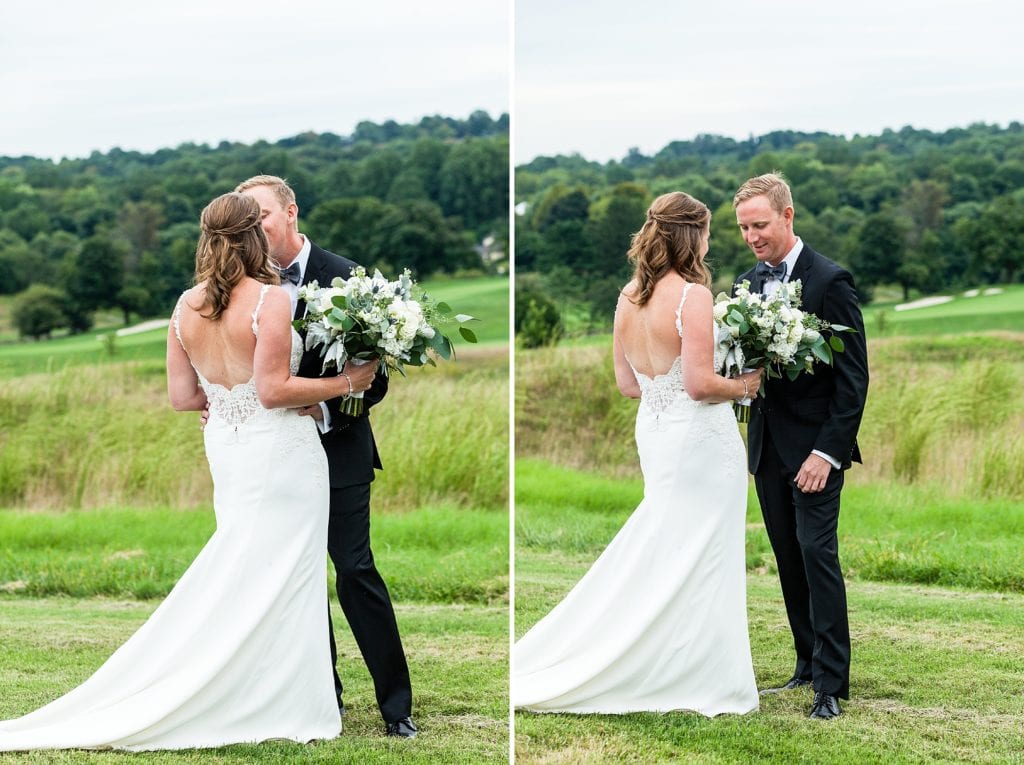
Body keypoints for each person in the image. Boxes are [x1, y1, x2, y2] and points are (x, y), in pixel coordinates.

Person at [0, 192, 379, 752]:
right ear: (253, 237)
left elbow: (182, 397)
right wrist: (347, 383)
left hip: (229, 449)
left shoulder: (184, 305)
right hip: (281, 452)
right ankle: (281, 699)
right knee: (288, 573)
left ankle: (256, 687)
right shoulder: (271, 300)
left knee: (248, 565)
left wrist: (227, 399)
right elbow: (274, 391)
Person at [512, 192, 762, 715]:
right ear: (693, 235)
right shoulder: (692, 296)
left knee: (670, 543)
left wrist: (666, 387)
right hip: (700, 440)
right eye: (709, 232)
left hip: (655, 431)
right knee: (704, 551)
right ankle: (695, 672)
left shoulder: (628, 297)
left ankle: (671, 657)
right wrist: (745, 386)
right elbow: (698, 385)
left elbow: (628, 384)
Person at [233, 175, 417, 739]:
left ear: (290, 213)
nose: (253, 227)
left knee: (354, 570)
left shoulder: (347, 279)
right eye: (244, 219)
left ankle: (396, 706)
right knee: (297, 577)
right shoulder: (242, 287)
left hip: (339, 449)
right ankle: (322, 699)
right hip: (273, 457)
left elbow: (374, 382)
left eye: (260, 215)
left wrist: (328, 408)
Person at [732, 173, 869, 720]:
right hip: (767, 450)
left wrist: (827, 453)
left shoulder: (830, 280)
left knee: (817, 555)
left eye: (760, 225)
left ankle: (832, 685)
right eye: (744, 228)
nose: (752, 237)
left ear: (788, 216)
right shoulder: (747, 285)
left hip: (816, 452)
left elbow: (853, 381)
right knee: (788, 557)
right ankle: (806, 665)